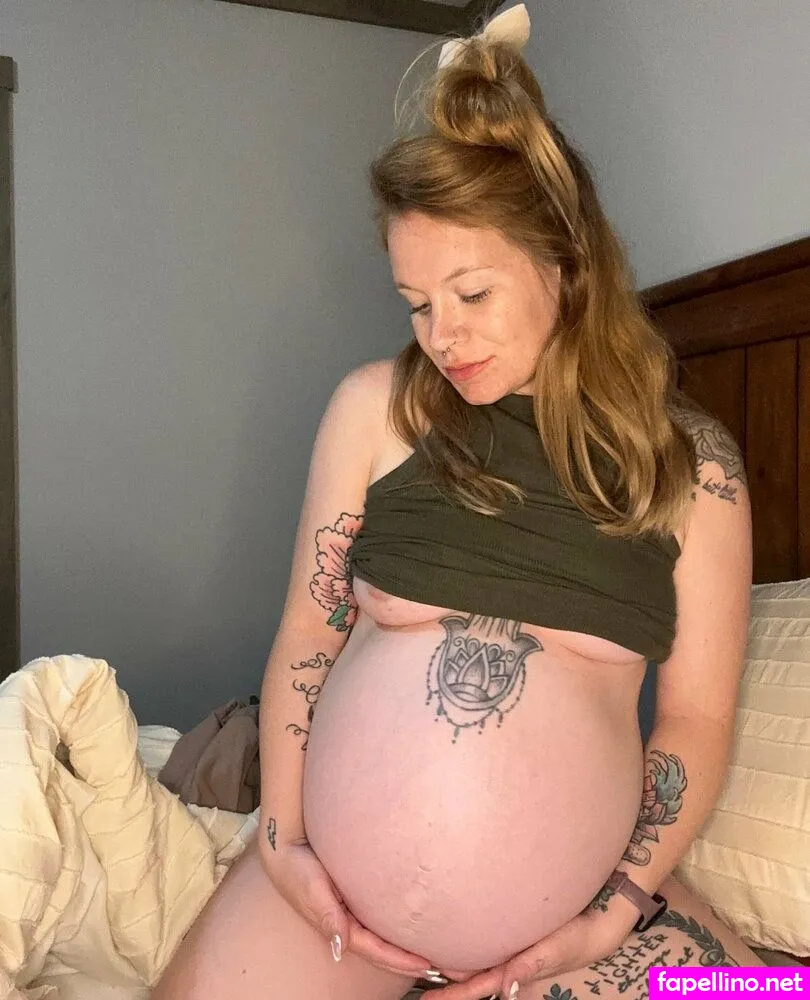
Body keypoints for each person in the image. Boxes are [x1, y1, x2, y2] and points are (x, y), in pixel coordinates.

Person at [152, 6, 758, 999]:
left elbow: (695, 722)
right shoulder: (374, 410)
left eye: (472, 294)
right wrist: (283, 842)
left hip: (569, 928)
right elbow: (309, 634)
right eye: (417, 305)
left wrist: (610, 915)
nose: (443, 337)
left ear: (566, 262)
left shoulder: (695, 471)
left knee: (769, 988)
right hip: (330, 902)